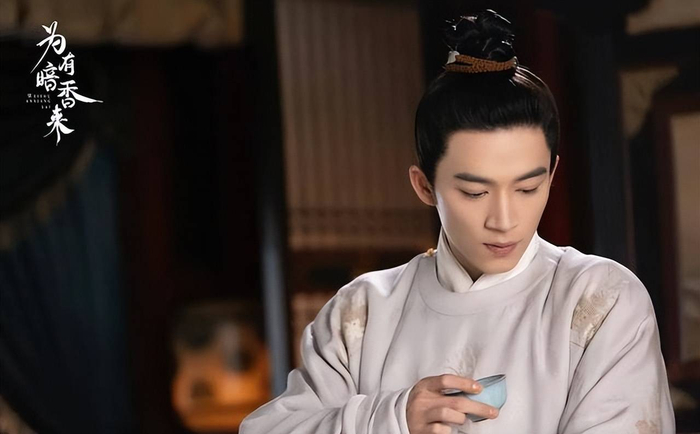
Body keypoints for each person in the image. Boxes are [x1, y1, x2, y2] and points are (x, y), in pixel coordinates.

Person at [239, 9, 675, 434]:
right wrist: (392, 418)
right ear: (424, 186)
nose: (504, 220)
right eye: (474, 192)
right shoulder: (363, 312)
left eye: (528, 188)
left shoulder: (599, 300)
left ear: (552, 174)